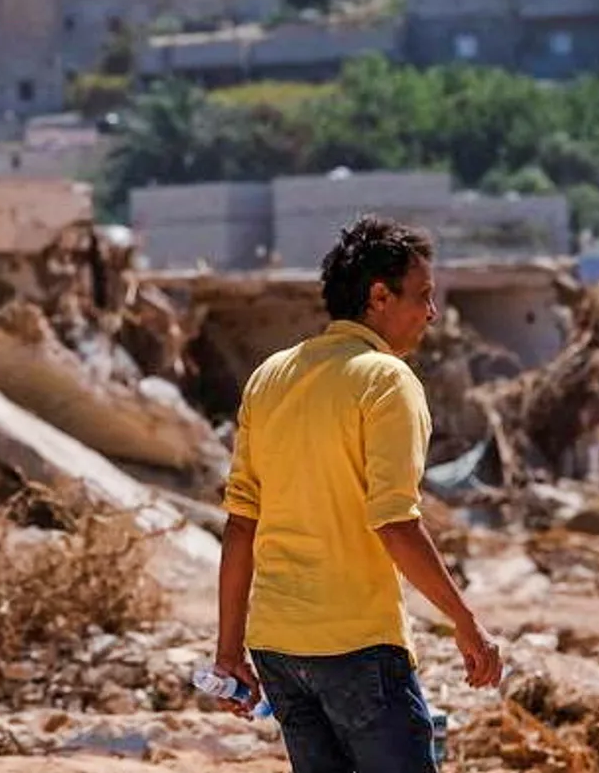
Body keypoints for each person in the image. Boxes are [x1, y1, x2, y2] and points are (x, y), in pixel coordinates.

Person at [212, 214, 503, 773]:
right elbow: (394, 522)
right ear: (378, 296)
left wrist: (229, 653)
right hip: (357, 646)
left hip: (278, 648)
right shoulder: (385, 380)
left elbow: (240, 523)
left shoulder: (270, 376)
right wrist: (467, 625)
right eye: (422, 296)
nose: (432, 313)